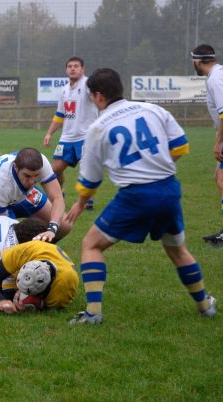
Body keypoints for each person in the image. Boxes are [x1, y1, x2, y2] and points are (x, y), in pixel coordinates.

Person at [66, 68, 217, 325]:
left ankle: (92, 313)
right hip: (169, 189)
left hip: (135, 196)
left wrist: (80, 204)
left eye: (92, 96)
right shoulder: (152, 110)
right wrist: (158, 167)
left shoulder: (98, 127)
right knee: (178, 250)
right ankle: (205, 305)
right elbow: (181, 145)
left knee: (91, 245)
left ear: (99, 96)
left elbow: (90, 179)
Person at [0, 147, 71, 243]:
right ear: (16, 167)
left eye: (36, 176)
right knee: (10, 241)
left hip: (21, 192)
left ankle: (44, 252)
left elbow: (57, 198)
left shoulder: (42, 162)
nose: (32, 181)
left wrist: (52, 229)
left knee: (64, 226)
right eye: (27, 175)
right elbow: (1, 230)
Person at [43, 57, 98, 209]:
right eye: (70, 66)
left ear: (83, 69)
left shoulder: (87, 85)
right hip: (66, 138)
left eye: (76, 66)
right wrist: (49, 133)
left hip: (85, 136)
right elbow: (60, 114)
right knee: (55, 170)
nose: (72, 69)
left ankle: (88, 201)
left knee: (87, 169)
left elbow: (98, 98)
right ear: (66, 70)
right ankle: (60, 193)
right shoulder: (65, 89)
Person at [191, 44, 223, 246]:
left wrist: (219, 142)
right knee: (219, 177)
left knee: (221, 179)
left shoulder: (215, 79)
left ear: (197, 61)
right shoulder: (218, 75)